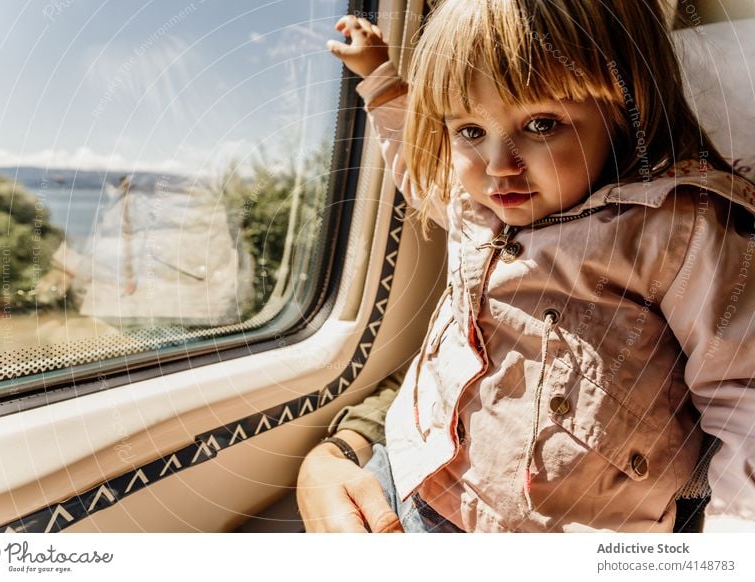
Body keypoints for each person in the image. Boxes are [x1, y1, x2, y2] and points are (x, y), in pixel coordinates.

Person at [297, 0, 755, 533]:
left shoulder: (677, 231)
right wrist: (378, 77)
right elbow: (416, 167)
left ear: (629, 115)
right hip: (410, 470)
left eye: (541, 124)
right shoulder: (477, 208)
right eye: (470, 131)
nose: (498, 166)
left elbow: (741, 399)